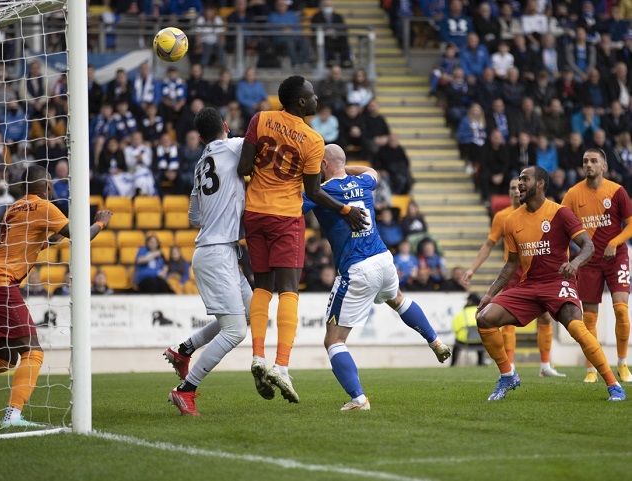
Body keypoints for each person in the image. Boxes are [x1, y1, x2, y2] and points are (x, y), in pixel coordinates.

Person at [0, 166, 113, 427]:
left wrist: (51, 239)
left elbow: (33, 240)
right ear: (48, 186)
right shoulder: (44, 207)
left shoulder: (14, 208)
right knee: (33, 352)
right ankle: (13, 415)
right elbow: (81, 237)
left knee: (5, 358)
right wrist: (101, 222)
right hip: (1, 287)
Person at [237, 75, 365, 403]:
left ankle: (257, 357)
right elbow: (313, 192)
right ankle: (281, 364)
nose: (317, 97)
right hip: (286, 217)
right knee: (289, 289)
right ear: (301, 103)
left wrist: (261, 181)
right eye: (312, 94)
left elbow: (243, 167)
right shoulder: (312, 139)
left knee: (262, 286)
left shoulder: (260, 119)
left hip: (254, 213)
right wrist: (345, 209)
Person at [302, 145, 451, 411]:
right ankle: (434, 340)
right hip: (383, 259)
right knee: (397, 299)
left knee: (333, 340)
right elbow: (372, 171)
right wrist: (342, 168)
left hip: (357, 268)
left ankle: (359, 399)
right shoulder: (363, 181)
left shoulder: (320, 192)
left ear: (323, 164)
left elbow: (292, 207)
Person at [475, 166, 626, 402]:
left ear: (541, 184)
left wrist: (575, 264)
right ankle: (507, 375)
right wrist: (489, 294)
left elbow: (588, 245)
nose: (519, 184)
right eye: (518, 180)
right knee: (484, 318)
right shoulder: (511, 220)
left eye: (525, 179)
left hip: (557, 282)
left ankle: (613, 384)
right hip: (528, 286)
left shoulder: (561, 213)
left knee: (577, 328)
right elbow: (511, 264)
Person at [165, 107, 253, 416]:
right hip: (217, 252)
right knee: (235, 331)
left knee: (251, 312)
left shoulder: (201, 163)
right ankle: (186, 389)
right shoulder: (235, 146)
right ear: (227, 126)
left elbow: (193, 217)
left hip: (218, 249)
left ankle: (184, 349)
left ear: (200, 138)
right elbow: (258, 142)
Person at [463, 178, 565, 377]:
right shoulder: (503, 217)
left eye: (517, 188)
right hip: (513, 275)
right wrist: (472, 269)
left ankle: (545, 366)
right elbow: (489, 244)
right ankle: (510, 364)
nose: (515, 192)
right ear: (508, 192)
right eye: (511, 188)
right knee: (507, 319)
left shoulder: (541, 212)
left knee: (545, 316)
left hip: (536, 273)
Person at [561, 149, 632, 383]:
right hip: (588, 262)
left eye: (593, 161)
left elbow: (630, 224)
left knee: (621, 309)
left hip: (616, 256)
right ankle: (591, 369)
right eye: (585, 161)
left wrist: (614, 242)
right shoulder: (572, 194)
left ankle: (623, 364)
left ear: (604, 166)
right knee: (589, 319)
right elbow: (560, 228)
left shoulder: (616, 191)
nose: (588, 164)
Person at [451, 293, 486, 366]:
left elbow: (455, 328)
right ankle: (480, 363)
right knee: (480, 338)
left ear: (470, 301)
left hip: (465, 341)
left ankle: (453, 364)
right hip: (480, 341)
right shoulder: (482, 312)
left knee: (456, 344)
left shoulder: (463, 313)